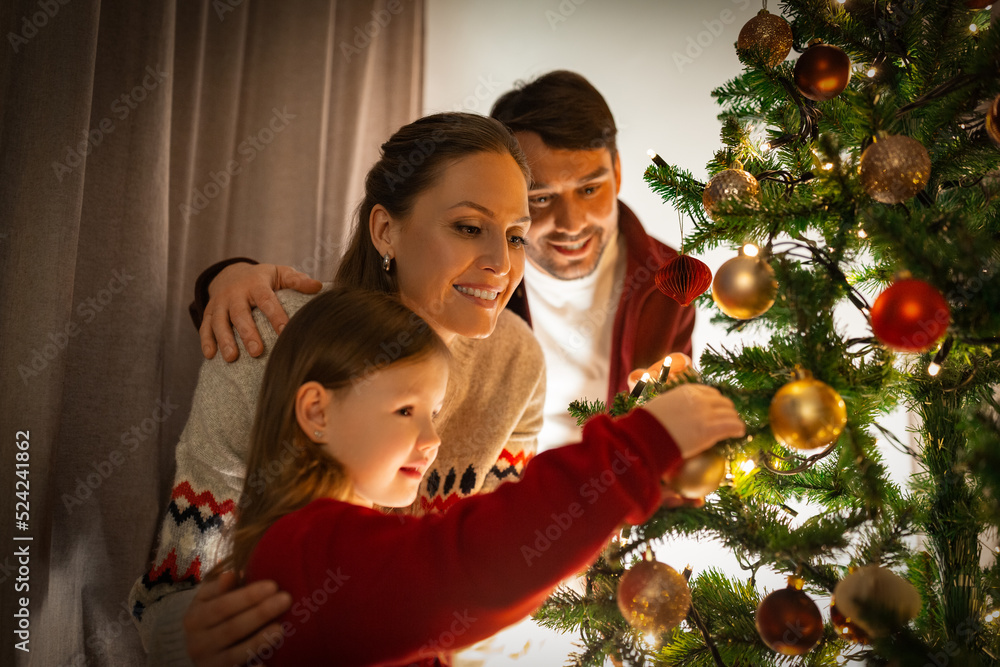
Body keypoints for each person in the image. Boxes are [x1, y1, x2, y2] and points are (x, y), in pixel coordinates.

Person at [129, 112, 550, 665]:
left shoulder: (517, 363)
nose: (501, 263)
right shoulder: (272, 341)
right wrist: (186, 638)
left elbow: (493, 563)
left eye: (515, 235)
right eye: (469, 227)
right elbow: (173, 589)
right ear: (385, 230)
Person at [215, 285, 743, 665]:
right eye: (405, 410)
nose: (433, 439)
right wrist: (640, 446)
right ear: (317, 412)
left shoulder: (322, 543)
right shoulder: (309, 549)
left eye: (434, 414)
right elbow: (474, 564)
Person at [192, 71, 694, 454]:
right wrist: (226, 276)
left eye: (590, 188)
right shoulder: (304, 341)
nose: (571, 221)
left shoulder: (665, 284)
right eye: (540, 199)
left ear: (619, 172)